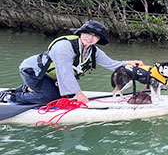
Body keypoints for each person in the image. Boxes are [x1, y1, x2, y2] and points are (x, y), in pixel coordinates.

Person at [0, 20, 143, 105]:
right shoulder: (64, 47)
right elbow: (65, 73)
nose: (90, 38)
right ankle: (10, 97)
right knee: (50, 98)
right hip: (33, 71)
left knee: (67, 96)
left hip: (50, 77)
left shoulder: (94, 51)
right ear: (81, 33)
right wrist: (79, 94)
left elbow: (112, 64)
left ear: (99, 39)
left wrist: (128, 63)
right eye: (88, 33)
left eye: (95, 36)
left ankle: (30, 90)